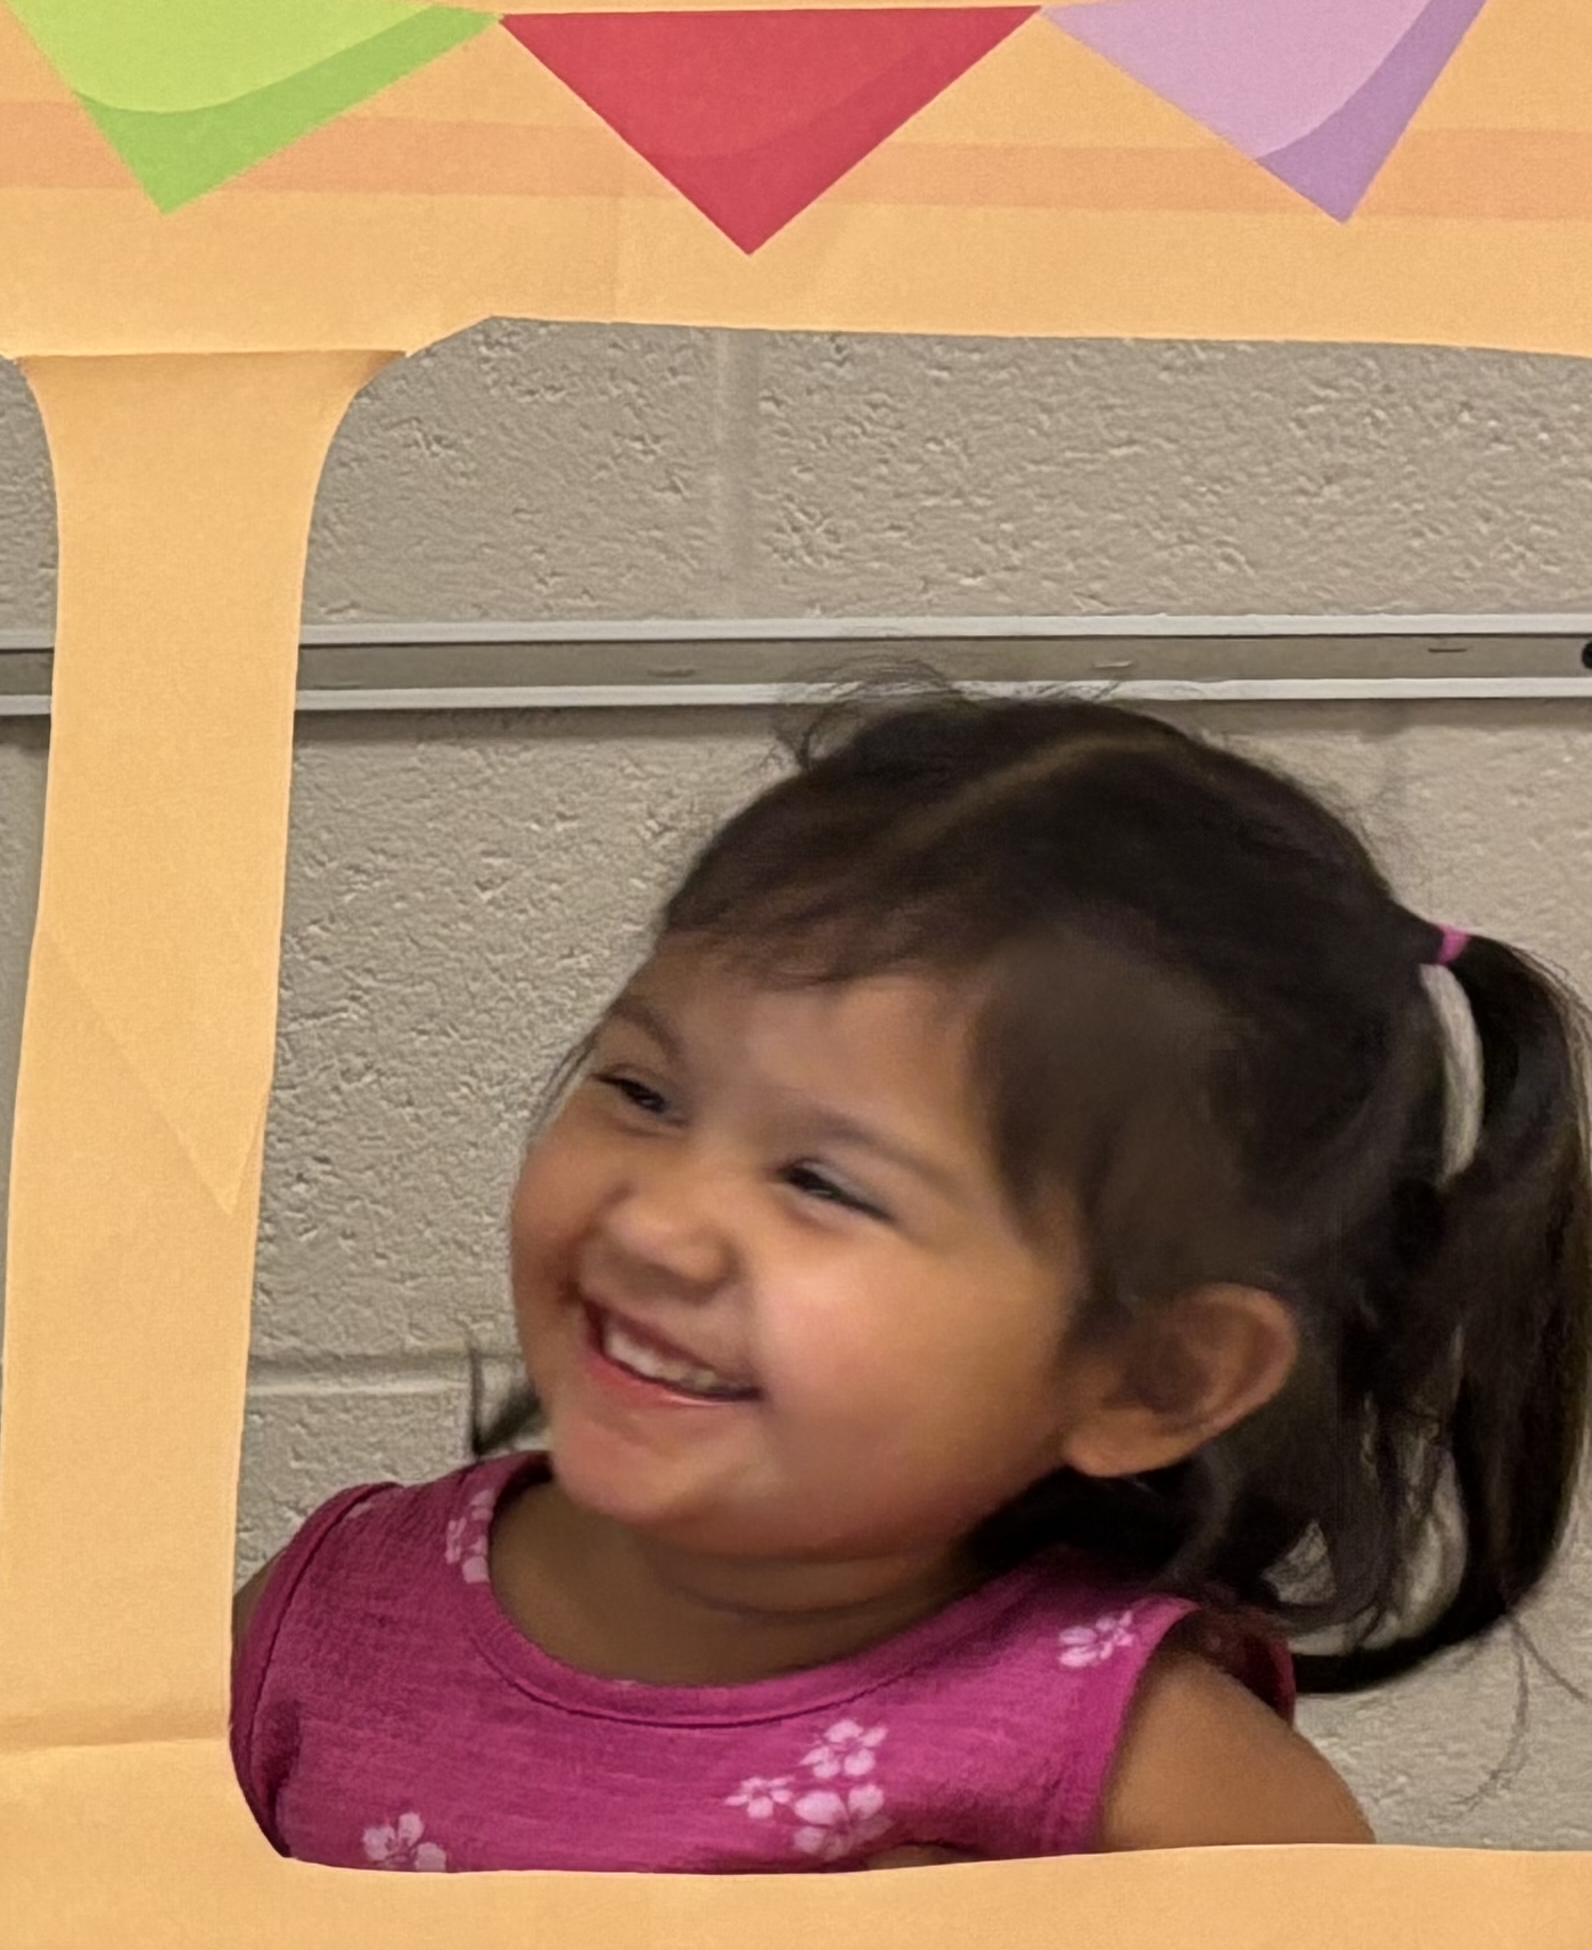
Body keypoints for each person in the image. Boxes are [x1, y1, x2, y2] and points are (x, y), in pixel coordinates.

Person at [235, 694, 1590, 1872]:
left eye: (826, 1184)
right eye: (643, 1092)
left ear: (1149, 1377)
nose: (659, 1226)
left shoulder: (1153, 1787)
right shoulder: (322, 1618)